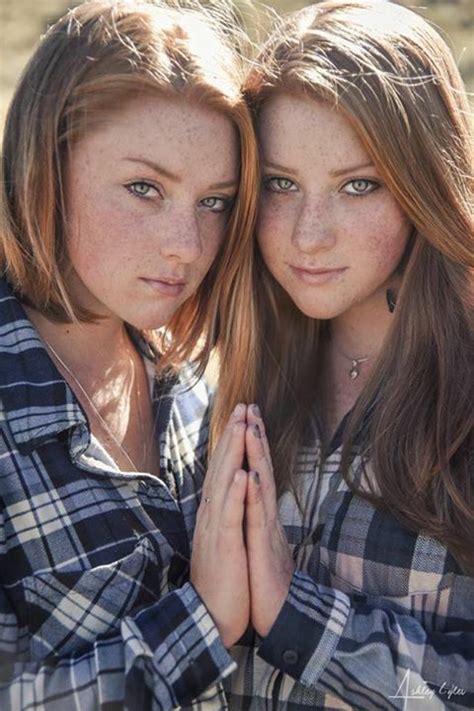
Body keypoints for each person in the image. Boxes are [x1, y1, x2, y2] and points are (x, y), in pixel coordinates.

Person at [209, 0, 474, 708]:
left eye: (359, 185)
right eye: (280, 184)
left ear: (424, 185)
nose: (308, 234)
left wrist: (299, 617)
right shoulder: (236, 378)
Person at [0, 1, 258, 708]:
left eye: (215, 201)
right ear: (46, 166)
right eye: (145, 187)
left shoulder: (193, 378)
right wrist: (202, 624)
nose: (187, 244)